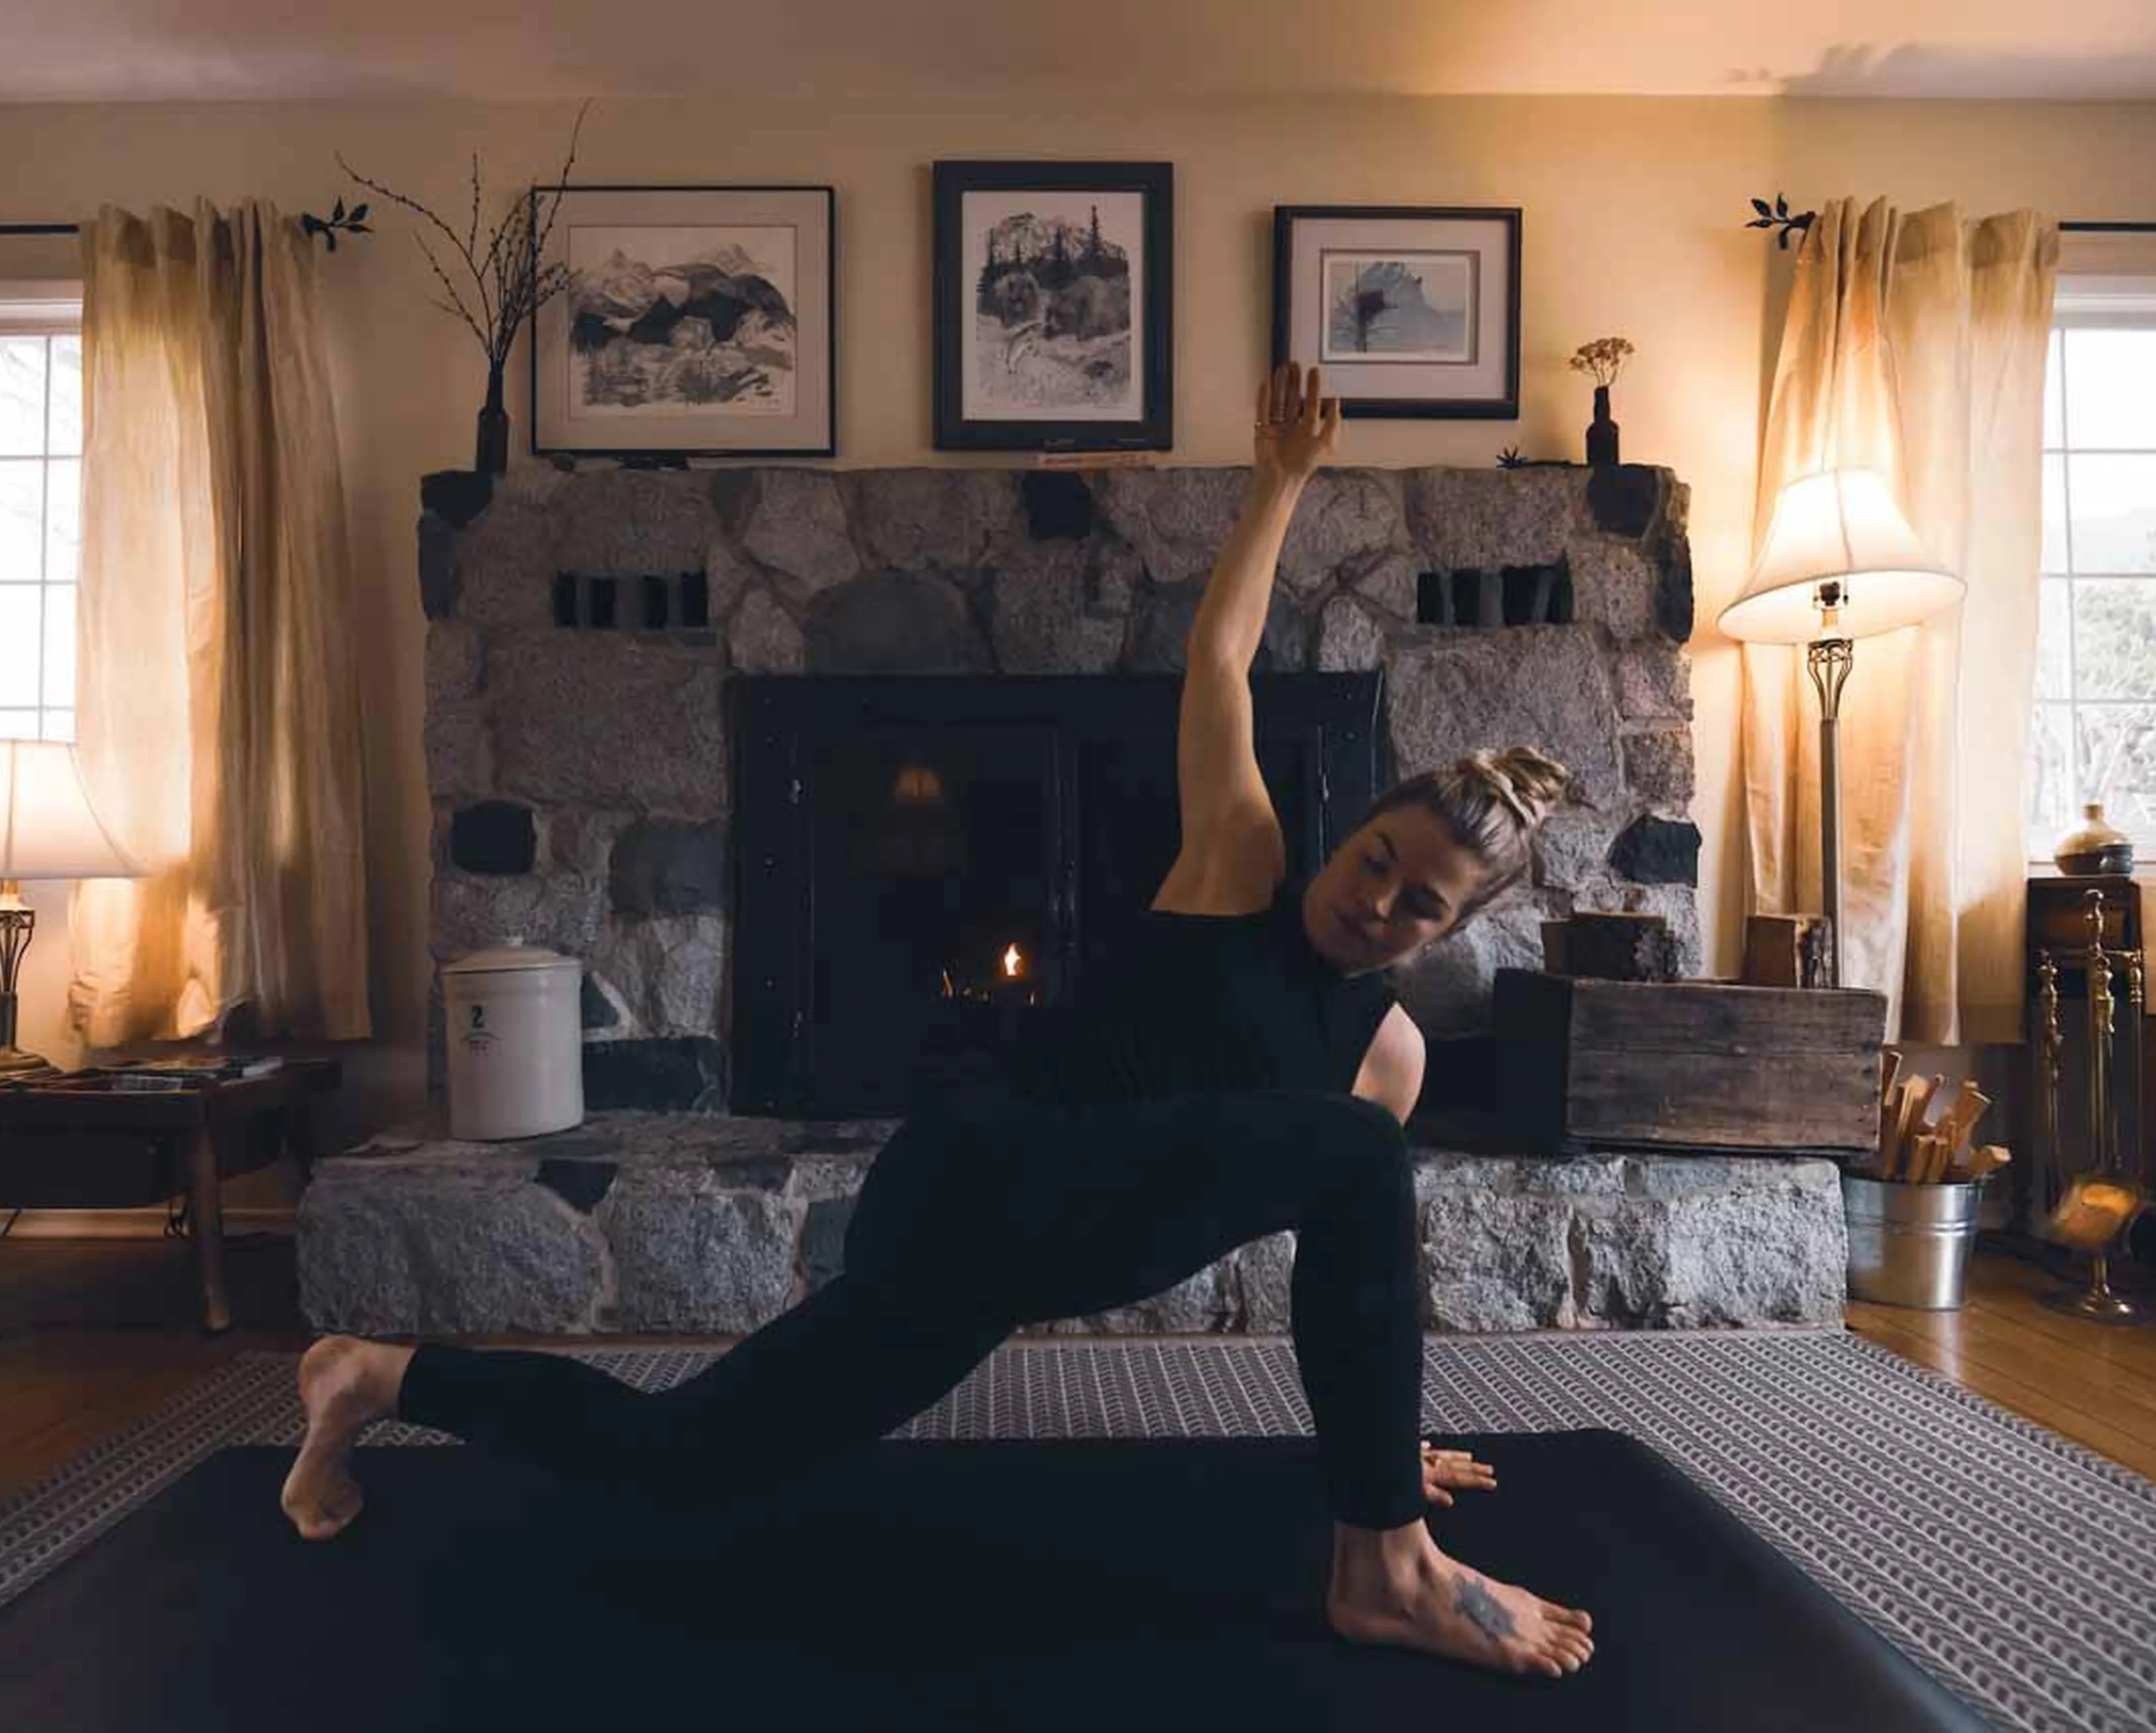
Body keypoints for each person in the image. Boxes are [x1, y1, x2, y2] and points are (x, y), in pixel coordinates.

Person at [282, 363, 1594, 1681]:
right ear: (1353, 830)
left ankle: (374, 1374)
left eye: (1419, 903)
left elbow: (1334, 1268)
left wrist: (1373, 1442)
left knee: (684, 1457)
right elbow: (1220, 660)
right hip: (980, 1179)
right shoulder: (1236, 865)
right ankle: (1388, 1565)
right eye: (1375, 858)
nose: (1376, 900)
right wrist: (1280, 482)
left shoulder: (1387, 1059)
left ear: (1448, 933)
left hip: (1052, 1249)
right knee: (1356, 1154)